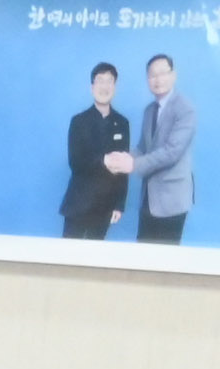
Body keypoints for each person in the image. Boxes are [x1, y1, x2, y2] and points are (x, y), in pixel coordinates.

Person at [128, 54, 197, 245]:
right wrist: (122, 159)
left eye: (162, 73)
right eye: (152, 75)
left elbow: (171, 152)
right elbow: (143, 148)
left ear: (173, 75)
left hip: (172, 200)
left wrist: (133, 164)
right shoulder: (149, 110)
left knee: (166, 262)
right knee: (143, 258)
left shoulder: (185, 109)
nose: (157, 80)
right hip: (148, 199)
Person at [65, 61, 132, 238]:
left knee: (94, 255)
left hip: (105, 206)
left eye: (109, 81)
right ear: (92, 87)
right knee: (69, 257)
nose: (104, 86)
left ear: (115, 86)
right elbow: (75, 162)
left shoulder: (122, 123)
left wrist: (119, 204)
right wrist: (104, 160)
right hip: (78, 204)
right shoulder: (78, 121)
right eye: (100, 80)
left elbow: (124, 167)